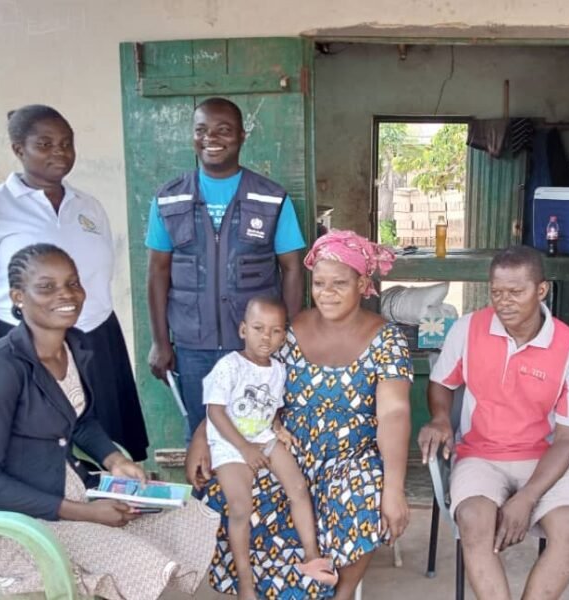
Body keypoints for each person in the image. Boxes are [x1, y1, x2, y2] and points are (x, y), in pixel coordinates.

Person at [0, 243, 219, 600]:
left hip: (72, 491)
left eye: (73, 283)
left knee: (186, 514)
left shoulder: (73, 347)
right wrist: (82, 513)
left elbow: (80, 420)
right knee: (142, 562)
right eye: (46, 286)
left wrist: (116, 460)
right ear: (18, 297)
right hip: (13, 526)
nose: (66, 295)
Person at [185, 230, 412, 599]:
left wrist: (395, 488)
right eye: (320, 283)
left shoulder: (387, 341)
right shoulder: (289, 332)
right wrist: (201, 438)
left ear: (362, 283)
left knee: (363, 496)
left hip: (351, 458)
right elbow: (241, 389)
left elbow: (395, 414)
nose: (328, 292)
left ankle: (342, 593)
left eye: (340, 283)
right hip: (284, 447)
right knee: (233, 493)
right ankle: (260, 589)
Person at [0, 104, 149, 460]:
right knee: (40, 456)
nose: (59, 152)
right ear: (18, 149)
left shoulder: (88, 206)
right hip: (25, 346)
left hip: (97, 341)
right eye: (45, 144)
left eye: (66, 143)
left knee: (109, 452)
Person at [417, 245, 569, 600]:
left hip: (544, 459)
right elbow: (441, 382)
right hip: (480, 455)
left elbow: (566, 440)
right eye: (496, 292)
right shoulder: (468, 329)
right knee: (473, 519)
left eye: (516, 292)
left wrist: (527, 498)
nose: (504, 302)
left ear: (541, 290)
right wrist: (440, 417)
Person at [145, 96, 307, 438]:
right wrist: (161, 341)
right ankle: (207, 495)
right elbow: (158, 272)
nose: (211, 138)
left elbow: (292, 269)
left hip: (254, 345)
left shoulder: (271, 198)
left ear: (243, 136)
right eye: (201, 130)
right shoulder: (168, 198)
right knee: (201, 437)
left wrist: (288, 337)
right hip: (193, 348)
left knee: (260, 431)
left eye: (224, 130)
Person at [203, 296, 338, 599]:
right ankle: (246, 584)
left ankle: (312, 557)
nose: (266, 337)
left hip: (263, 437)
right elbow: (215, 412)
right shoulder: (229, 366)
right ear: (242, 330)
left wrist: (279, 429)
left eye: (276, 331)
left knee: (299, 488)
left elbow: (270, 410)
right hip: (229, 443)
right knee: (240, 508)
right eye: (258, 328)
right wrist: (244, 449)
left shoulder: (278, 370)